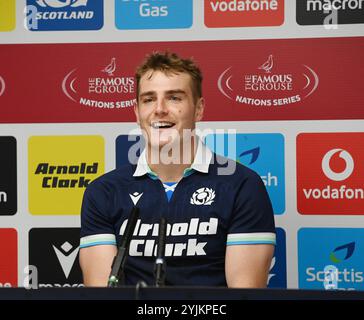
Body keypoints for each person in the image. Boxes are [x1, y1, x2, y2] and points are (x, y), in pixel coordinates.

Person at [79, 51, 276, 287]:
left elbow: (244, 296)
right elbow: (103, 295)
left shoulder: (242, 186)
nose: (160, 109)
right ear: (136, 112)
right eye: (149, 99)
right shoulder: (104, 191)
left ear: (199, 109)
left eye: (174, 98)